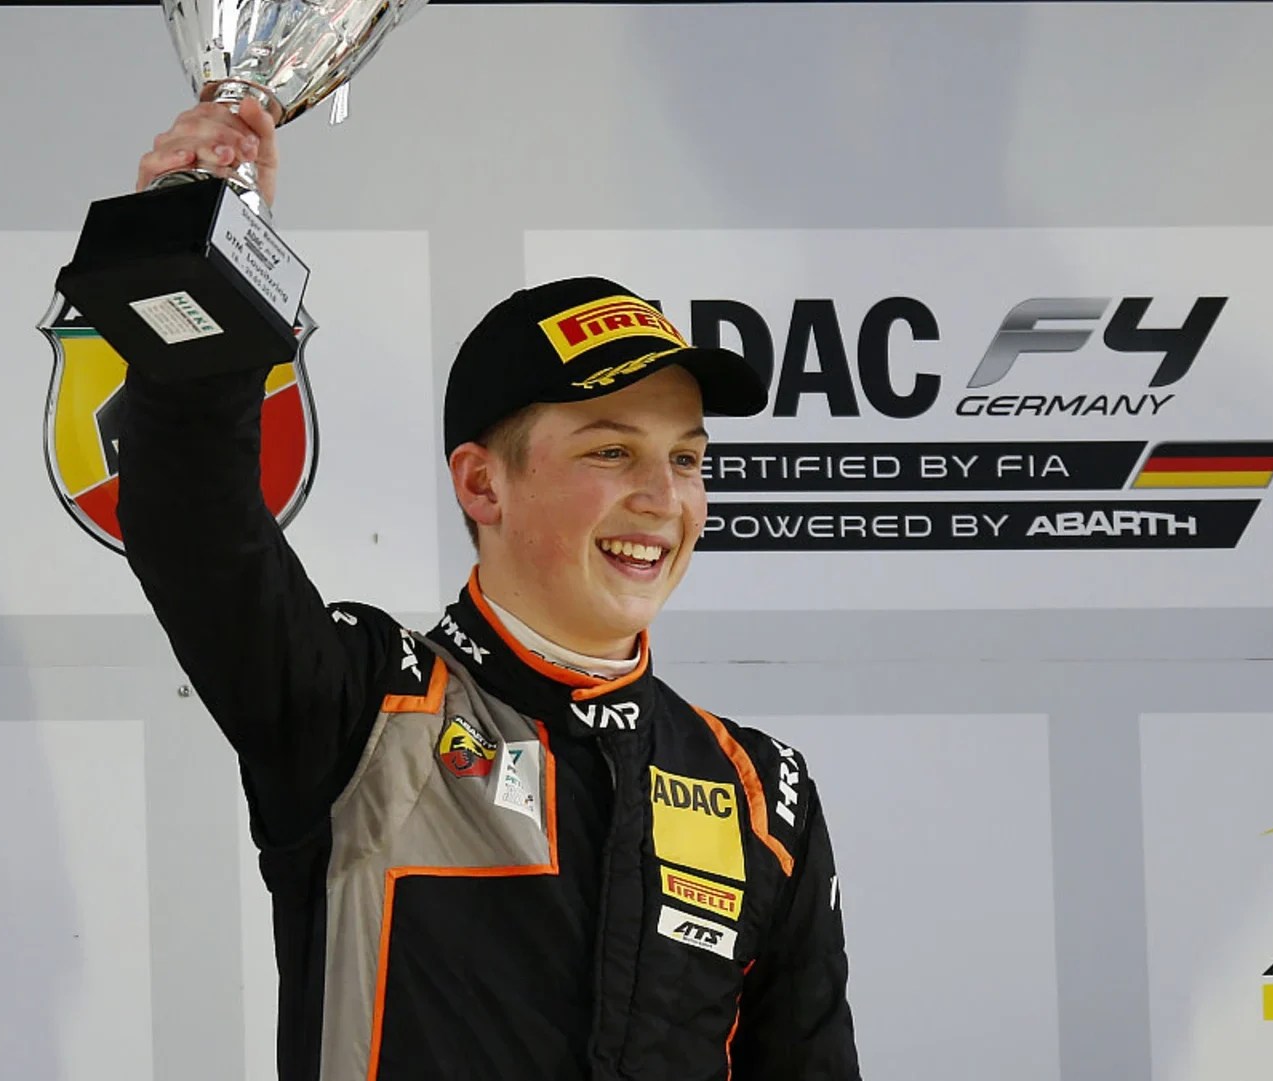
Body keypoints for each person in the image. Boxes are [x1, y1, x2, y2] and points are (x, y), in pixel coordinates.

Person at [117, 98, 861, 1081]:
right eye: (611, 451)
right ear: (482, 482)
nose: (661, 499)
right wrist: (193, 248)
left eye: (687, 458)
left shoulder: (761, 792)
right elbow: (192, 520)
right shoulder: (360, 710)